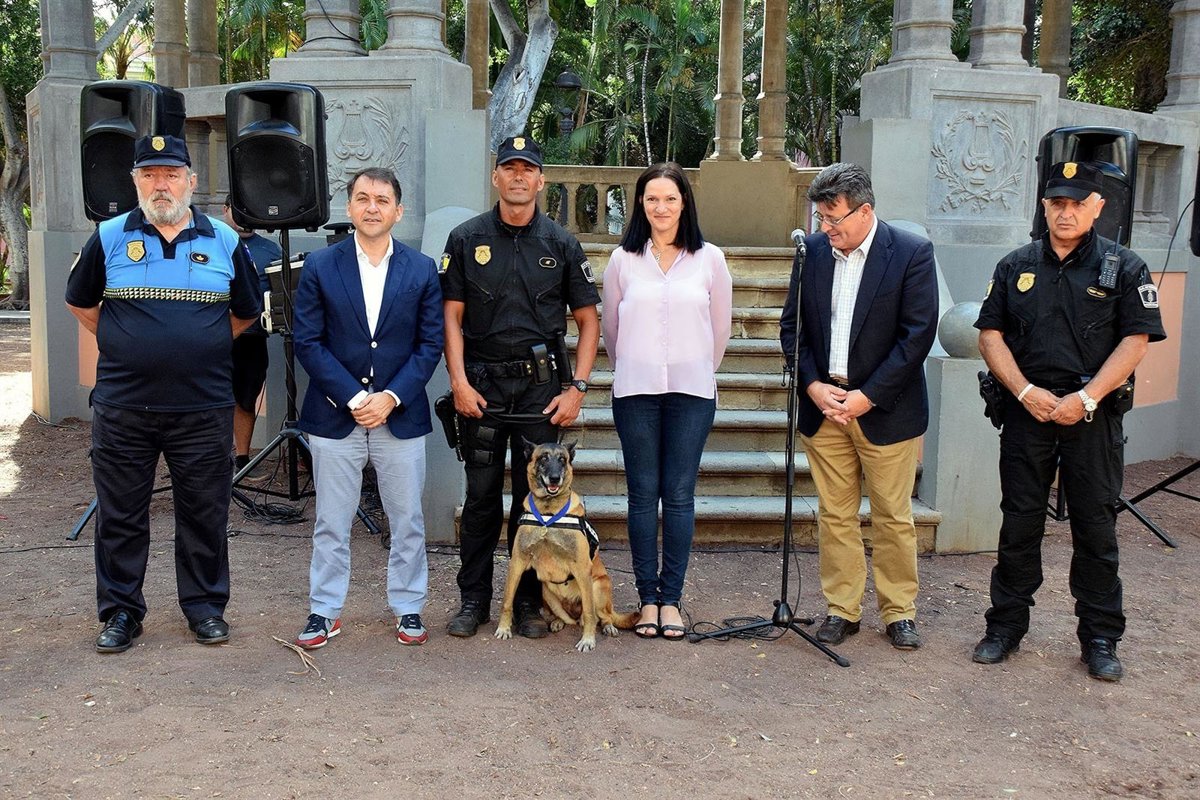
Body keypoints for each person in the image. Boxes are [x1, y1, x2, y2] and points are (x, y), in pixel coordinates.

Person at [65, 135, 261, 652]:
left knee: (204, 514)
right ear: (135, 183)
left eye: (171, 174)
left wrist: (199, 344)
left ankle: (205, 609)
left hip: (203, 408)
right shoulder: (109, 236)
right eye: (149, 174)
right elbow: (80, 302)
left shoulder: (224, 239)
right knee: (120, 515)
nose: (161, 185)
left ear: (191, 182)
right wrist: (125, 342)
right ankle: (121, 613)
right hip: (124, 408)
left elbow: (246, 312)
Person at [972, 161, 1166, 682]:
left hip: (1091, 417)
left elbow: (1136, 341)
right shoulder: (1015, 265)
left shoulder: (1125, 267)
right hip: (1028, 412)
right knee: (1019, 523)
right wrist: (1025, 391)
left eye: (1078, 203)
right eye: (1057, 202)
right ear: (1044, 206)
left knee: (1095, 527)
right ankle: (1005, 626)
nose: (1066, 212)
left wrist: (1086, 397)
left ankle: (1100, 637)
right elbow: (990, 335)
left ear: (1097, 207)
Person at [439, 134, 601, 638]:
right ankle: (473, 600)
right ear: (496, 177)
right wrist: (458, 382)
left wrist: (577, 388)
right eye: (509, 167)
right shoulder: (465, 239)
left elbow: (589, 321)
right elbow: (451, 317)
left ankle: (529, 604)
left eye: (527, 169)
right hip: (482, 390)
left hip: (540, 392)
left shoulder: (561, 243)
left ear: (540, 180)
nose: (517, 176)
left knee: (533, 505)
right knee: (481, 499)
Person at [779, 162, 939, 651]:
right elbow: (792, 328)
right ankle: (842, 609)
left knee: (893, 515)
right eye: (821, 218)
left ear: (865, 211)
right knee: (835, 514)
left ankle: (899, 612)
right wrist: (812, 385)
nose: (825, 228)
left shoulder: (911, 252)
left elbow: (917, 337)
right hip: (825, 408)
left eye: (834, 218)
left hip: (885, 409)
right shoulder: (811, 253)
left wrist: (867, 396)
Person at [291, 167, 444, 648]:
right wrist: (356, 398)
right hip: (336, 415)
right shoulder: (320, 266)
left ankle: (408, 606)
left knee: (407, 521)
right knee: (331, 523)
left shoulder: (421, 269)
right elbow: (308, 341)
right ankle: (324, 611)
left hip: (400, 416)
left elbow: (430, 343)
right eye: (362, 198)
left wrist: (390, 397)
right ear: (349, 208)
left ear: (398, 211)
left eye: (381, 199)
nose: (371, 207)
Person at [601, 163, 732, 640]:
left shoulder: (710, 259)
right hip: (635, 391)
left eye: (670, 199)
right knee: (641, 495)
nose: (661, 207)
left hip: (691, 392)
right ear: (641, 203)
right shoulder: (623, 260)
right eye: (652, 198)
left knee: (678, 495)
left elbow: (720, 328)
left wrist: (693, 367)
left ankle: (671, 599)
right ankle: (647, 600)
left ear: (684, 203)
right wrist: (635, 365)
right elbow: (611, 329)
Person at [221, 195, 282, 473]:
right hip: (213, 338)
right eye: (238, 211)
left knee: (245, 398)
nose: (244, 219)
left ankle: (242, 459)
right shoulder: (211, 242)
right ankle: (211, 458)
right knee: (210, 398)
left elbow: (281, 293)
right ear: (226, 210)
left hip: (252, 338)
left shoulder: (270, 250)